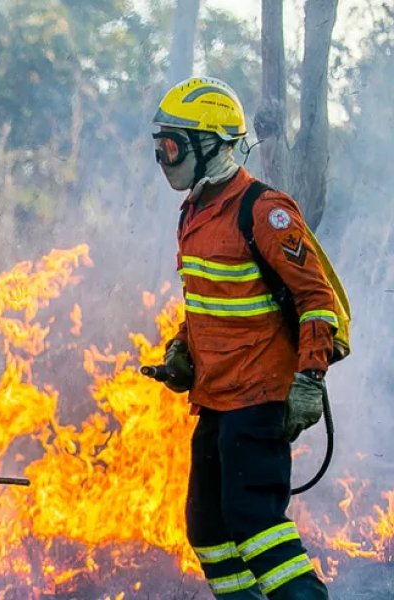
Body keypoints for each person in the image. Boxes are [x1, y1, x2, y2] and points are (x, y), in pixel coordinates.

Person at [150, 77, 341, 599]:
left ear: (211, 144)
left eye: (172, 146)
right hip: (214, 400)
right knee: (208, 531)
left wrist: (309, 379)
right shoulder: (194, 210)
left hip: (259, 398)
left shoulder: (265, 210)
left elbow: (316, 300)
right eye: (160, 147)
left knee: (256, 525)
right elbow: (208, 303)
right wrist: (182, 351)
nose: (164, 160)